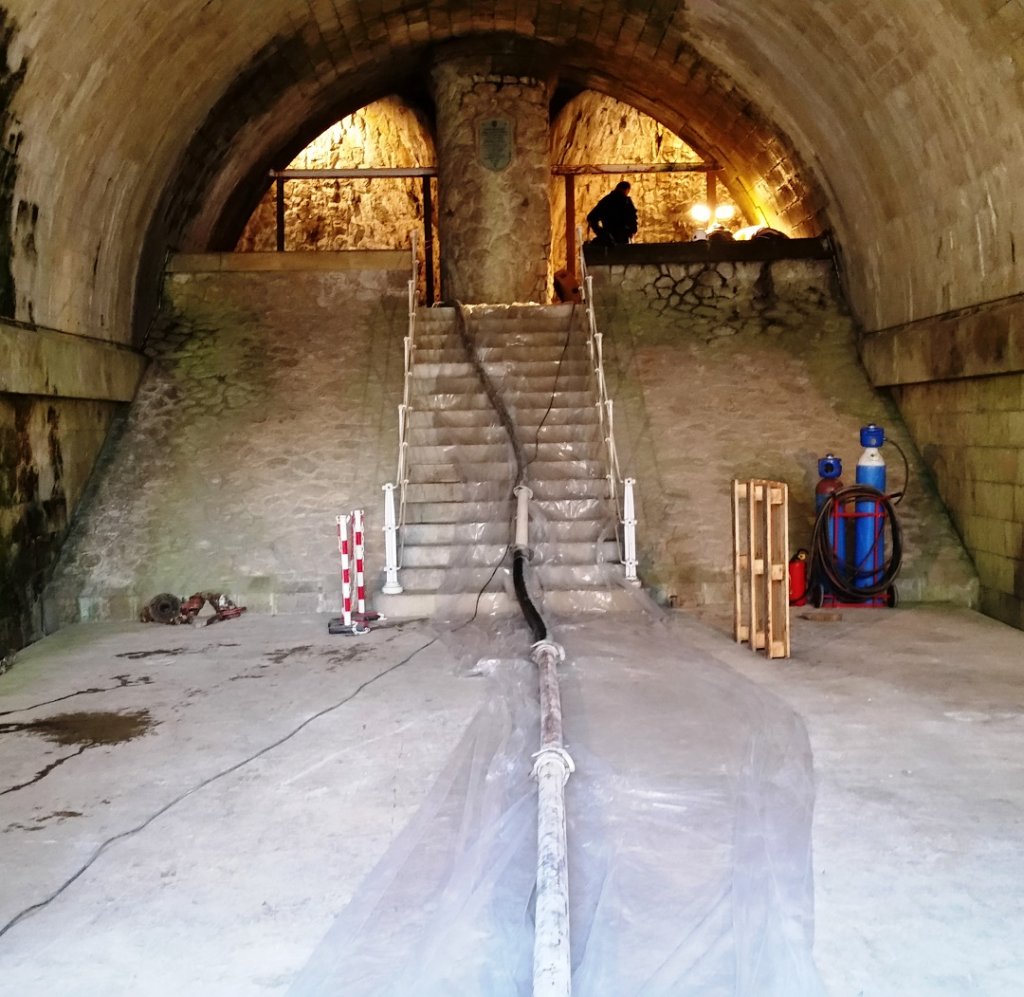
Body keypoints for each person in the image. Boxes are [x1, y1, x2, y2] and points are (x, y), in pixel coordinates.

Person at [586, 181, 638, 246]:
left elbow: (591, 217)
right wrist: (632, 230)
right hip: (622, 238)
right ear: (627, 190)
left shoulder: (606, 201)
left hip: (609, 240)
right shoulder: (626, 202)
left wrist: (601, 233)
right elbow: (632, 218)